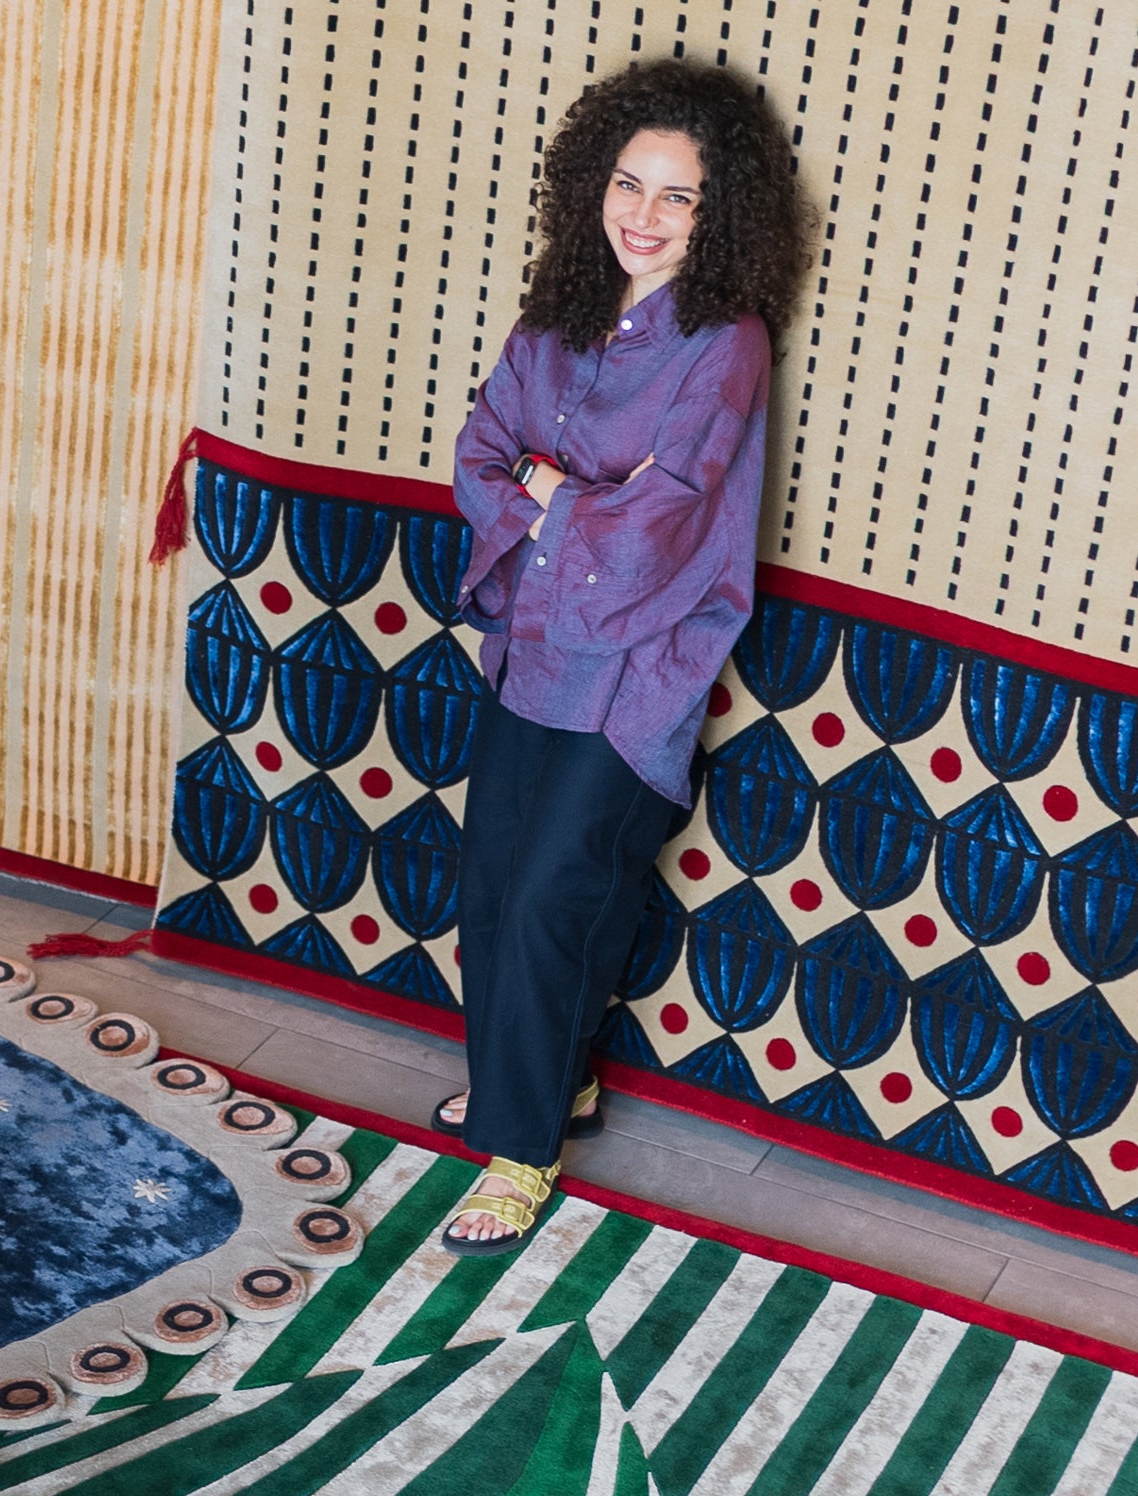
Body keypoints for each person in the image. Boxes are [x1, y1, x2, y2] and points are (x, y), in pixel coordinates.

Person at [433, 61, 812, 1255]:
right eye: (627, 184)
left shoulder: (723, 344)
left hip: (640, 664)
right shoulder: (553, 317)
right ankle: (553, 1085)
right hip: (531, 640)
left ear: (718, 212)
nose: (643, 215)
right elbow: (477, 454)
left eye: (677, 196)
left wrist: (543, 491)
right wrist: (570, 495)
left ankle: (520, 1149)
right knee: (494, 882)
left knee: (561, 891)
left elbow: (662, 523)